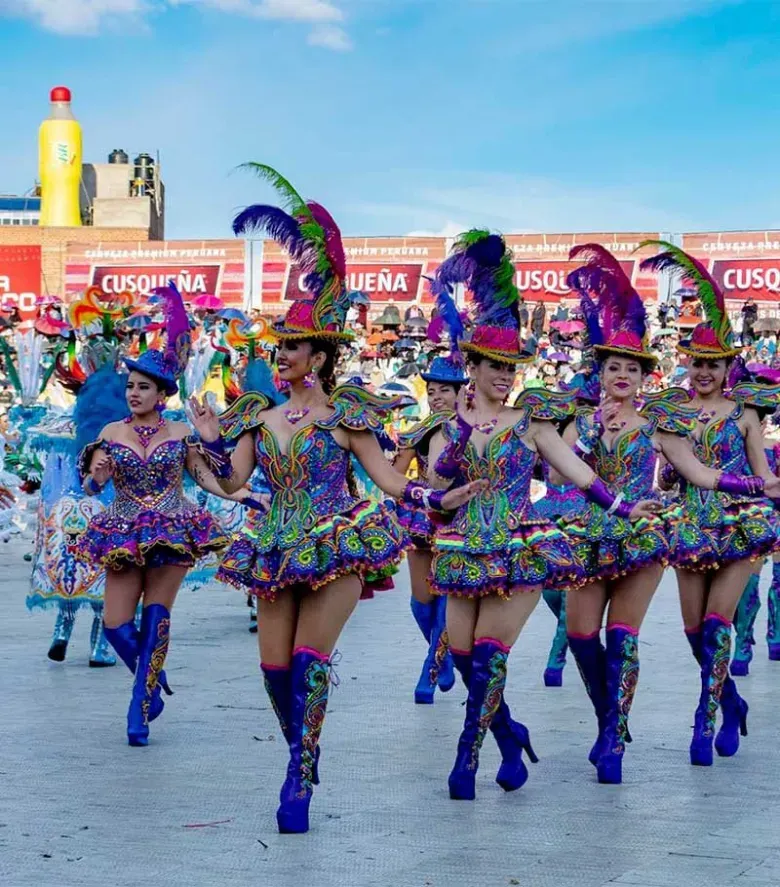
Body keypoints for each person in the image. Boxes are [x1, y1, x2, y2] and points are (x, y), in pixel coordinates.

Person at [194, 166, 483, 834]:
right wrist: (209, 444)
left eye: (290, 347)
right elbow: (235, 483)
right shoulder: (257, 415)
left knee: (307, 662)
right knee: (272, 671)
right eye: (278, 346)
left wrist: (434, 496)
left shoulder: (347, 414)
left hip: (337, 541)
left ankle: (299, 771)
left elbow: (385, 477)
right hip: (274, 543)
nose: (280, 354)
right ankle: (304, 745)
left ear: (318, 356)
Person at [424, 231, 659, 802]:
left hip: (518, 548)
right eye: (496, 367)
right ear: (472, 367)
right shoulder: (452, 425)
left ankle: (467, 759)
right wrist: (453, 455)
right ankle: (508, 735)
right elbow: (436, 483)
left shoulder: (533, 422)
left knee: (487, 660)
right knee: (459, 653)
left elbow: (573, 471)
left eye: (513, 368)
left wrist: (623, 503)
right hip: (462, 549)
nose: (506, 377)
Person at [76, 285, 235, 747]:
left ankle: (139, 707)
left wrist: (229, 467)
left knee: (158, 616)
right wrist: (97, 476)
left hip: (172, 526)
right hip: (122, 529)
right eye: (130, 386)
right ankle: (150, 683)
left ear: (161, 393)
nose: (133, 393)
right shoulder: (110, 431)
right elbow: (91, 485)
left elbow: (209, 479)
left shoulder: (183, 431)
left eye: (143, 386)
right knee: (115, 624)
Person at [643, 242, 780, 768]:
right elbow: (660, 473)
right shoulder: (670, 412)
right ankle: (732, 700)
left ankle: (705, 717)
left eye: (714, 365)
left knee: (719, 624)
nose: (704, 372)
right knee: (693, 630)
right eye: (698, 363)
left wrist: (769, 489)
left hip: (740, 527)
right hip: (689, 525)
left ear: (729, 368)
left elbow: (761, 473)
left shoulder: (747, 414)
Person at [394, 354, 467, 703]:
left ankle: (431, 667)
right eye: (432, 390)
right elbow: (395, 474)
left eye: (444, 390)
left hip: (461, 518)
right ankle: (444, 658)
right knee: (421, 601)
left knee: (446, 596)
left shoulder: (472, 429)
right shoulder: (418, 432)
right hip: (423, 515)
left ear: (459, 393)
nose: (436, 396)